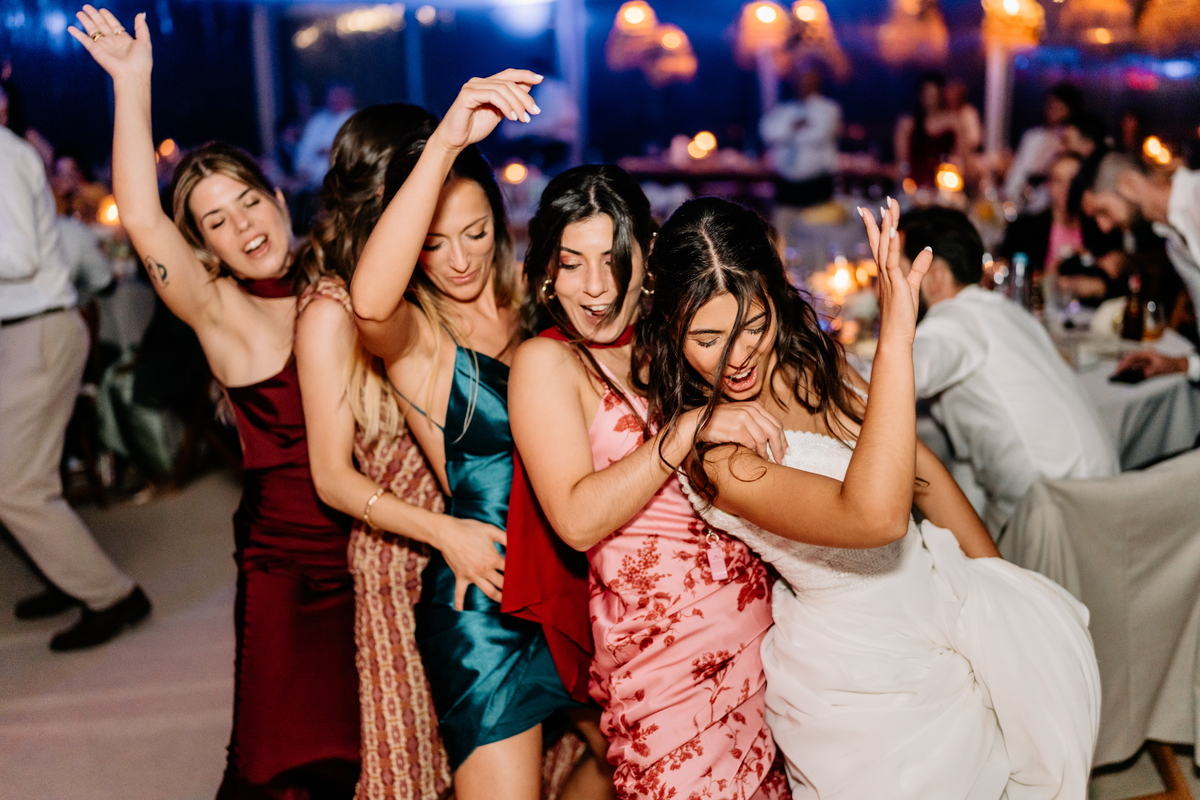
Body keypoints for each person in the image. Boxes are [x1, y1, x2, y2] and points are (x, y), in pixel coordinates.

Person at [641, 195, 1101, 798]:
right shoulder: (714, 456)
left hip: (939, 595)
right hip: (859, 671)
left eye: (754, 325)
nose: (740, 355)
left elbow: (923, 471)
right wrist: (895, 342)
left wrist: (998, 591)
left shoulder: (810, 361)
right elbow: (875, 518)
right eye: (708, 338)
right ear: (670, 327)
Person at [71, 9, 361, 797]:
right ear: (203, 248)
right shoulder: (217, 310)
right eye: (216, 222)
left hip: (374, 546)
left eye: (249, 202)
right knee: (276, 761)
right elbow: (141, 217)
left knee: (374, 747)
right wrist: (133, 84)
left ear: (279, 197)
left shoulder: (340, 287)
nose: (244, 226)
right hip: (287, 563)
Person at [350, 71, 602, 800]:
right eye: (434, 243)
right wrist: (446, 141)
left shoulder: (546, 308)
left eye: (475, 233)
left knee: (632, 763)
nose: (459, 260)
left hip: (577, 580)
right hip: (487, 604)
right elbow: (369, 304)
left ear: (502, 222)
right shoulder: (419, 340)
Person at [507, 165, 790, 800]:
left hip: (761, 635)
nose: (596, 287)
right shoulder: (548, 362)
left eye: (613, 259)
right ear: (547, 269)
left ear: (649, 253)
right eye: (572, 263)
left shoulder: (683, 336)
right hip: (661, 657)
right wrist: (684, 431)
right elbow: (576, 518)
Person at [0, 103, 148, 652]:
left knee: (16, 486)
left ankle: (112, 596)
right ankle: (66, 574)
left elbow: (18, 257)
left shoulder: (2, 155)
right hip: (24, 331)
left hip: (37, 330)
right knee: (32, 477)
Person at [900, 206, 1118, 536]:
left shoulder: (953, 323)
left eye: (895, 272)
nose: (882, 288)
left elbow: (891, 387)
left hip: (1055, 517)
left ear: (934, 277)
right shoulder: (1005, 310)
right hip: (1100, 497)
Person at [1083, 151, 1200, 382]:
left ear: (1129, 184)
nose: (1104, 227)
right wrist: (1182, 364)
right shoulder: (1175, 244)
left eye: (1103, 210)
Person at [761, 68, 841, 217]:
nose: (803, 85)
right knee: (781, 226)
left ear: (817, 84)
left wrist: (785, 134)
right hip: (785, 183)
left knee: (815, 226)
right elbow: (767, 133)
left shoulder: (828, 108)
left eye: (808, 81)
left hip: (817, 183)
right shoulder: (784, 109)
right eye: (800, 81)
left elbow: (819, 135)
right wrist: (794, 127)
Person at [1004, 82, 1083, 211]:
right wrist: (1009, 195)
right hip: (1020, 199)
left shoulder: (1068, 140)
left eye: (1058, 107)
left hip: (1049, 204)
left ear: (1069, 109)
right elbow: (1018, 169)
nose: (1052, 110)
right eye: (1050, 105)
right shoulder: (1032, 136)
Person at [894, 71, 958, 189]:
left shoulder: (953, 122)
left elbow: (961, 157)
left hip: (946, 185)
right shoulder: (908, 123)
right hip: (914, 185)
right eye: (926, 94)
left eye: (933, 94)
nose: (929, 98)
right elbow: (902, 161)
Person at [295, 83, 357, 189]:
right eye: (331, 95)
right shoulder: (317, 120)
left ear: (349, 98)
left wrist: (331, 150)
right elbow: (304, 149)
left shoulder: (356, 121)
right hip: (307, 179)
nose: (334, 99)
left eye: (338, 95)